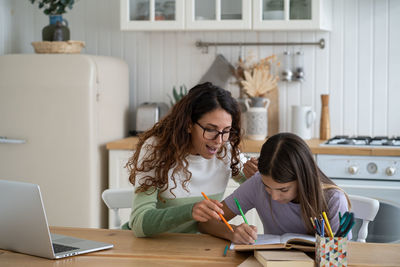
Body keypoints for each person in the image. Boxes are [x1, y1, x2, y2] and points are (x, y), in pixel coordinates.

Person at [125, 82, 256, 237]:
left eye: (226, 131)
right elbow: (139, 223)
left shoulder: (226, 150)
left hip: (198, 247)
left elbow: (258, 188)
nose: (219, 140)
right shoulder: (156, 148)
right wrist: (189, 211)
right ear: (188, 124)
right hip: (152, 247)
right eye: (211, 129)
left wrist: (258, 176)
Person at [198, 132, 351, 244]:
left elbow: (342, 255)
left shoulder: (334, 200)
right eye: (268, 187)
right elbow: (206, 222)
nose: (274, 197)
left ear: (303, 179)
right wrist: (231, 232)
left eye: (283, 189)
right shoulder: (257, 183)